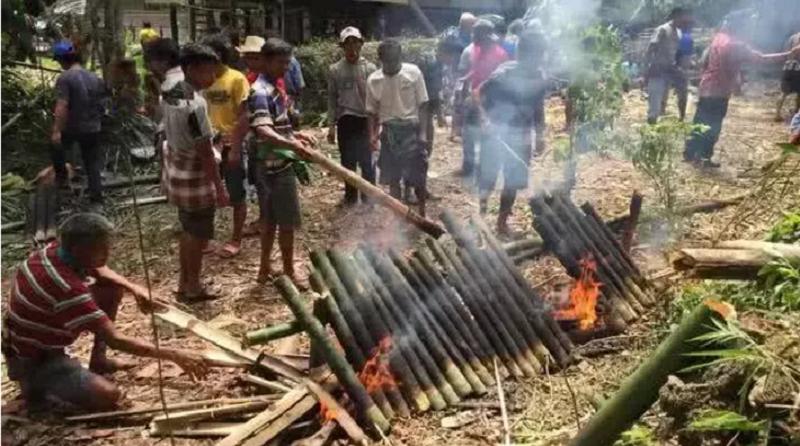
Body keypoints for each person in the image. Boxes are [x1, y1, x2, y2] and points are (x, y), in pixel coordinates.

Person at [1, 213, 208, 412]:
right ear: (79, 249)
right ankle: (34, 383)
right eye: (102, 249)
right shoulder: (67, 288)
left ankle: (98, 361)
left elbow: (100, 269)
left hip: (29, 340)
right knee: (108, 395)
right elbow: (116, 339)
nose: (107, 254)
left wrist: (135, 288)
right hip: (36, 358)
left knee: (110, 287)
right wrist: (175, 354)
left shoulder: (53, 251)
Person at [149, 41, 229, 300]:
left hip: (177, 168)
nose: (213, 77)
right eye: (208, 71)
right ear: (191, 69)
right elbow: (205, 151)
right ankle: (193, 286)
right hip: (194, 174)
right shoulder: (195, 105)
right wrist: (219, 187)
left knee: (188, 229)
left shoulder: (171, 89)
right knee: (198, 233)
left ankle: (185, 281)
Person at [684, 17, 800, 167]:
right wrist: (790, 53)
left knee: (700, 121)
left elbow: (705, 61)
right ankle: (703, 158)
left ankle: (690, 153)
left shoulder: (718, 38)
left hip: (706, 86)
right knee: (713, 125)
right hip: (720, 91)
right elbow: (762, 59)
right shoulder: (736, 46)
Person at [249, 38, 315, 285]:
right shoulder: (260, 92)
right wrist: (293, 145)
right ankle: (289, 271)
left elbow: (278, 126)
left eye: (288, 63)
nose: (286, 68)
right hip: (275, 166)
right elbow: (264, 131)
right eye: (281, 62)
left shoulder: (276, 88)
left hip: (271, 164)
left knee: (270, 220)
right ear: (265, 61)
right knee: (285, 222)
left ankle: (264, 269)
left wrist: (296, 134)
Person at [478, 30, 548, 235]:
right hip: (496, 134)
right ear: (522, 54)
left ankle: (501, 223)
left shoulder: (539, 77)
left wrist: (540, 134)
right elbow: (478, 97)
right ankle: (480, 218)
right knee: (488, 178)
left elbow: (538, 107)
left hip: (521, 136)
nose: (537, 60)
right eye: (534, 55)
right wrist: (485, 120)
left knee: (513, 181)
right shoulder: (502, 75)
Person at [201, 34, 251, 258]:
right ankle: (206, 238)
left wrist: (236, 145)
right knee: (209, 192)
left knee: (236, 192)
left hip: (231, 144)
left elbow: (244, 115)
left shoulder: (236, 79)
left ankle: (236, 238)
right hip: (210, 144)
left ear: (218, 56)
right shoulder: (204, 81)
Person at [366, 39, 430, 216]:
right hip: (389, 132)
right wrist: (372, 135)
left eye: (395, 61)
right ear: (381, 60)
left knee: (418, 174)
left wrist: (423, 133)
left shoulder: (414, 73)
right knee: (393, 176)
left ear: (400, 57)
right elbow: (371, 112)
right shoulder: (374, 80)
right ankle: (398, 216)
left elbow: (423, 104)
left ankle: (422, 214)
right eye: (387, 61)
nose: (392, 65)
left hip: (411, 128)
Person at [50, 40, 108, 208]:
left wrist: (56, 130)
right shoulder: (94, 77)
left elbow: (62, 105)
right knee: (92, 162)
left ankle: (63, 188)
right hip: (93, 127)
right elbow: (103, 103)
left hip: (73, 127)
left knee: (56, 149)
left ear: (62, 60)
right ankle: (97, 200)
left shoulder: (65, 78)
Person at [326, 27, 377, 206]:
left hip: (365, 120)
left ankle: (369, 197)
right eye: (348, 43)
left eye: (355, 42)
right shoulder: (335, 70)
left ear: (361, 44)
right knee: (347, 161)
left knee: (367, 160)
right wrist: (331, 125)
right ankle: (350, 196)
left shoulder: (370, 68)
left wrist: (377, 126)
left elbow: (376, 99)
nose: (352, 47)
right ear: (343, 46)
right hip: (346, 120)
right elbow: (332, 98)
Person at [458, 19, 509, 176]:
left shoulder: (500, 54)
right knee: (468, 134)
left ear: (485, 35)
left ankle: (487, 168)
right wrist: (465, 83)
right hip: (473, 98)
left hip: (491, 102)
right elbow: (476, 71)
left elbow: (502, 81)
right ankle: (469, 167)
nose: (472, 36)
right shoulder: (475, 50)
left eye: (476, 32)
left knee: (488, 135)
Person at [644, 7, 693, 123]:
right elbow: (650, 50)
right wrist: (646, 71)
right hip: (658, 69)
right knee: (655, 103)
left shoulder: (680, 33)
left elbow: (679, 53)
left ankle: (681, 118)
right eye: (683, 19)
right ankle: (651, 126)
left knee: (682, 89)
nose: (685, 22)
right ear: (676, 17)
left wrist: (681, 65)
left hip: (671, 69)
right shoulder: (662, 30)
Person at [776, 31, 800, 121]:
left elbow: (786, 52)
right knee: (799, 93)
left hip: (788, 66)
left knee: (784, 92)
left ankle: (777, 114)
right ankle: (796, 113)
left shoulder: (792, 37)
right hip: (798, 68)